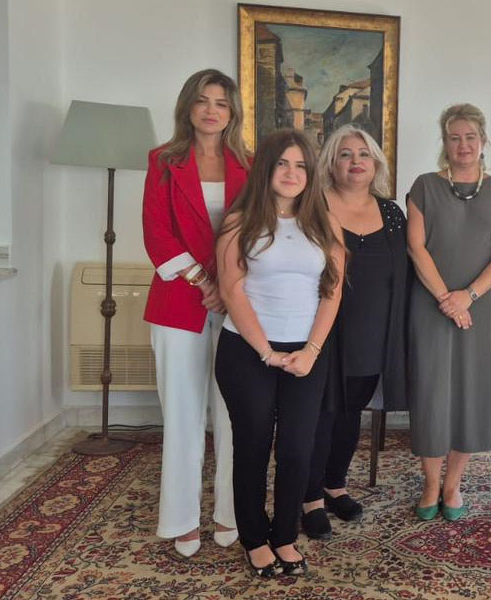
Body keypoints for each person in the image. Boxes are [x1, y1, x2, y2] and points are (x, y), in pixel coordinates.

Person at [215, 129, 344, 577]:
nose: (292, 173)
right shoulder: (239, 223)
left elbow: (332, 291)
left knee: (297, 449)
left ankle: (284, 535)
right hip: (247, 351)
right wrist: (267, 352)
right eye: (283, 164)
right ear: (266, 169)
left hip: (307, 354)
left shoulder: (324, 224)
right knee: (252, 446)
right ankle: (254, 538)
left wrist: (311, 350)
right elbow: (232, 292)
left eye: (301, 166)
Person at [141, 68, 249, 557]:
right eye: (203, 100)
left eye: (221, 103)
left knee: (233, 413)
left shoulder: (250, 164)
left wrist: (228, 286)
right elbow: (156, 232)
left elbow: (261, 229)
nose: (211, 110)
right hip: (178, 302)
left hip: (238, 301)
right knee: (183, 415)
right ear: (188, 106)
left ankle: (231, 511)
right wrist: (206, 283)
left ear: (232, 112)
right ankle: (182, 519)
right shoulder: (163, 160)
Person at [407, 104, 491, 521]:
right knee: (430, 393)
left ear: (483, 141)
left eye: (470, 137)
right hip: (430, 304)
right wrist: (446, 298)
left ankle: (453, 484)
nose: (463, 144)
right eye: (454, 137)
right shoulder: (424, 186)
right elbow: (416, 247)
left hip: (479, 307)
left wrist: (467, 296)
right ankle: (430, 483)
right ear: (445, 142)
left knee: (471, 392)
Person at [301, 124, 409, 539]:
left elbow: (405, 271)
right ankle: (309, 497)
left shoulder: (391, 214)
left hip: (373, 332)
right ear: (331, 163)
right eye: (345, 154)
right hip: (320, 328)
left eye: (364, 154)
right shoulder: (312, 206)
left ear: (376, 164)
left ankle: (335, 485)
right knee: (321, 412)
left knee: (350, 410)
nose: (355, 161)